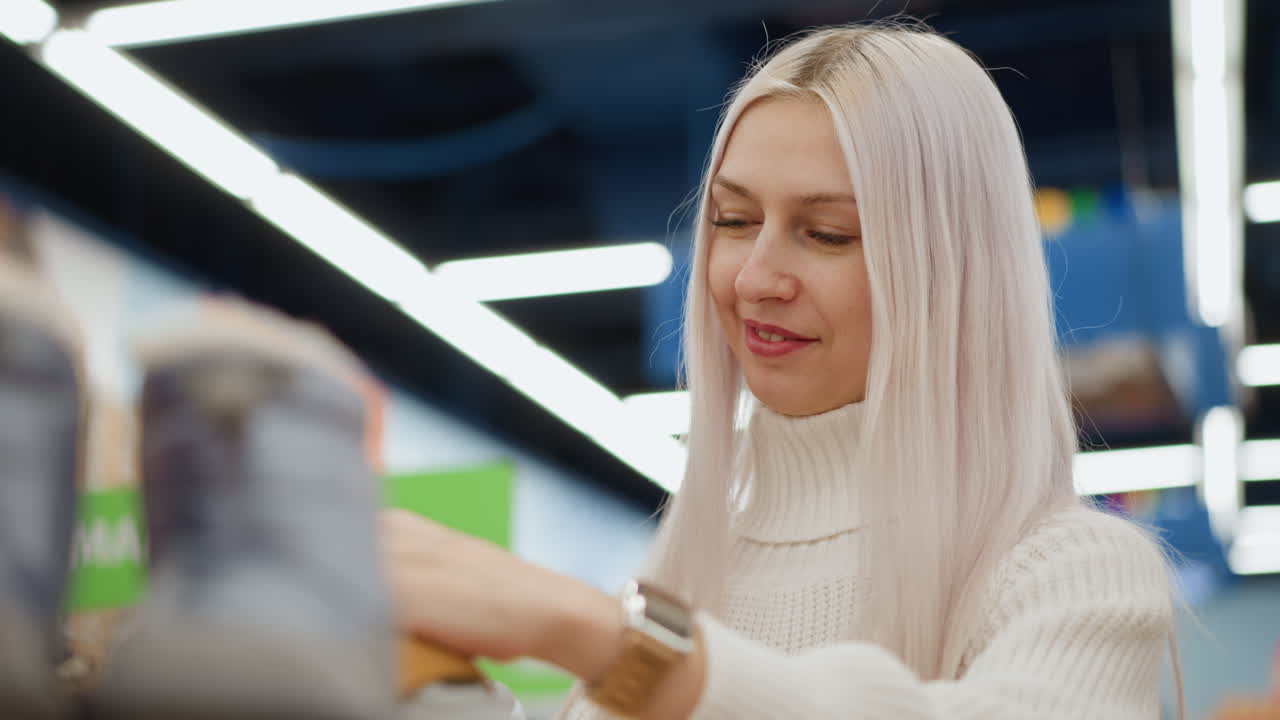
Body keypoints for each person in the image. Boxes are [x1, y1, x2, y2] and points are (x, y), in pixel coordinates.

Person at [381, 22, 1180, 719]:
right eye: (733, 221)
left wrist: (592, 634)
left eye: (827, 233)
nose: (754, 276)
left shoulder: (1073, 575)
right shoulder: (687, 569)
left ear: (952, 270)